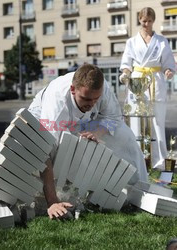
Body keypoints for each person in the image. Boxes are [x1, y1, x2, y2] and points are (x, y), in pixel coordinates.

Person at [28, 64, 148, 219]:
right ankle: (57, 193)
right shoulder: (56, 103)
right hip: (46, 120)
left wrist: (96, 133)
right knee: (57, 153)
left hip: (84, 122)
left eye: (95, 99)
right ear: (73, 89)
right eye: (86, 98)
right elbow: (45, 152)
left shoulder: (103, 89)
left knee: (125, 135)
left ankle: (141, 189)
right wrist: (52, 202)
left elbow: (114, 118)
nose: (91, 104)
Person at [120, 7, 176, 170]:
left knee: (158, 122)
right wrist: (125, 73)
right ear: (139, 20)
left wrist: (168, 70)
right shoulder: (131, 42)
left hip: (155, 82)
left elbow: (168, 62)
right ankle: (138, 161)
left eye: (149, 21)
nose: (146, 24)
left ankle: (160, 162)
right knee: (136, 122)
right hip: (137, 82)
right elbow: (126, 63)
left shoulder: (161, 41)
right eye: (144, 21)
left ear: (153, 21)